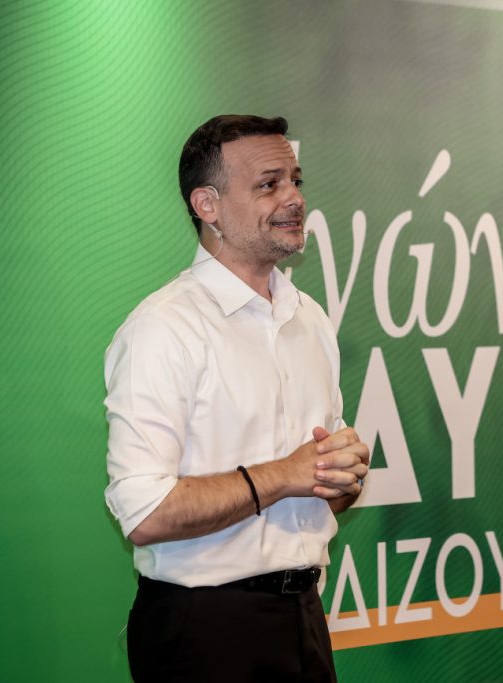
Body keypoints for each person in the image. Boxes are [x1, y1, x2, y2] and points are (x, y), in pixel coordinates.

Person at [104, 114, 369, 682]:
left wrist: (340, 475)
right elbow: (143, 512)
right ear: (208, 205)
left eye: (296, 180)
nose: (294, 198)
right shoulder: (163, 327)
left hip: (305, 616)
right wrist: (287, 474)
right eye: (269, 184)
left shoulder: (310, 320)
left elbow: (320, 496)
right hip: (204, 629)